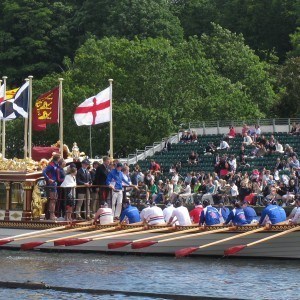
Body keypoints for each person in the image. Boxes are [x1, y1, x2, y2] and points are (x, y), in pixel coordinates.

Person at [42, 153, 61, 220]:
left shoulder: (57, 165)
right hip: (52, 184)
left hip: (55, 183)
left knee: (54, 200)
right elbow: (43, 172)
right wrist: (48, 179)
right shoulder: (51, 165)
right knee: (52, 200)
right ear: (58, 159)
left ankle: (53, 214)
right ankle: (51, 215)